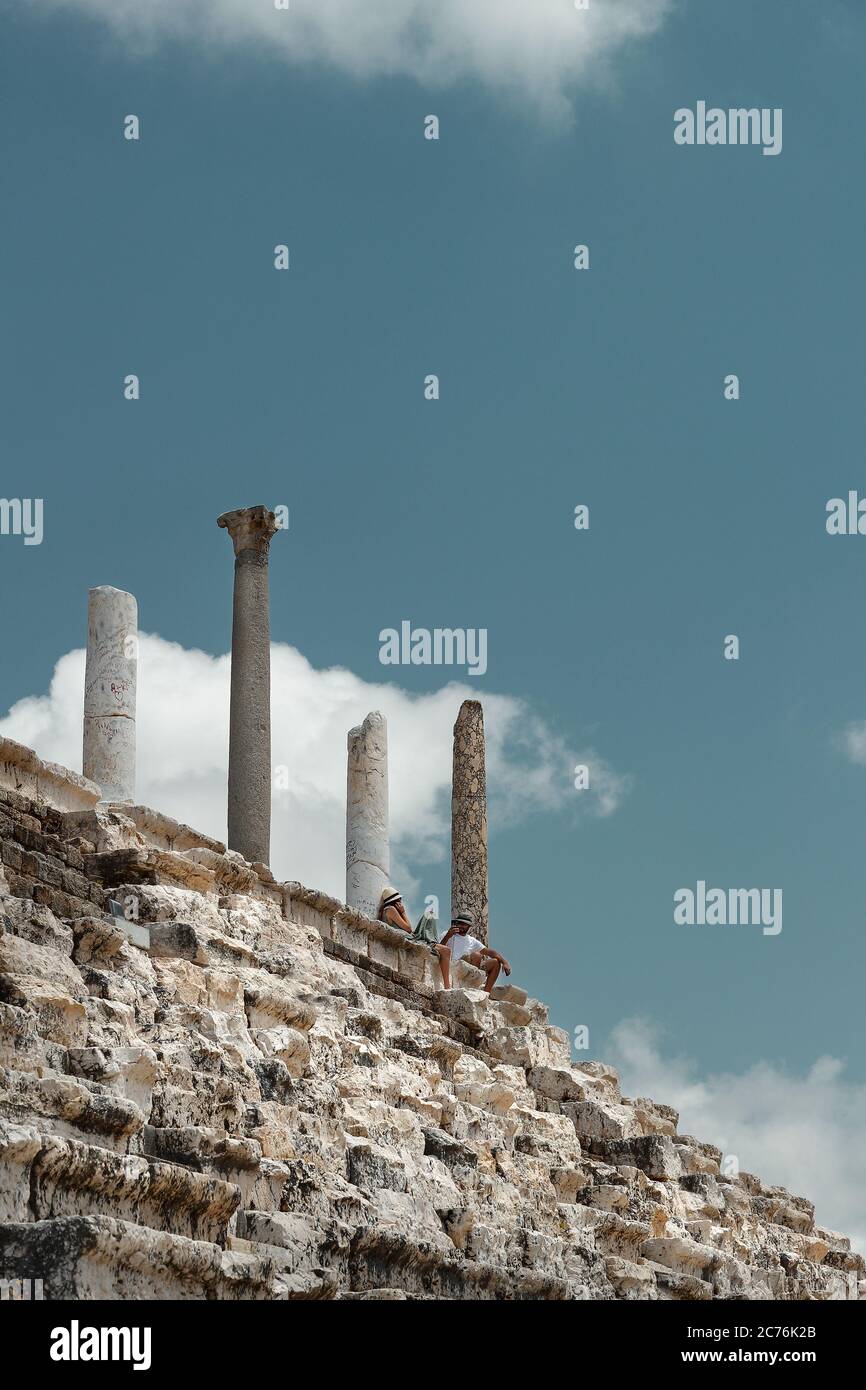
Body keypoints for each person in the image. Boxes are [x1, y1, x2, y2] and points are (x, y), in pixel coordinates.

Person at [379, 887, 452, 990]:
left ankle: (432, 941)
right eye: (399, 900)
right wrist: (403, 912)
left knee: (430, 914)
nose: (401, 902)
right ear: (395, 902)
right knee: (445, 949)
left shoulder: (387, 910)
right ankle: (447, 986)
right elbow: (408, 929)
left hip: (410, 936)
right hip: (409, 937)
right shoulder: (390, 910)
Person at [440, 911, 511, 993]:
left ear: (469, 926)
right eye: (459, 923)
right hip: (455, 964)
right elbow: (439, 949)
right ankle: (470, 984)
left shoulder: (471, 940)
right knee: (476, 955)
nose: (461, 926)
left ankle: (486, 993)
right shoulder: (447, 934)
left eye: (464, 924)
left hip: (470, 966)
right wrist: (448, 936)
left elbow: (491, 952)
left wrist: (505, 962)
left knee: (495, 962)